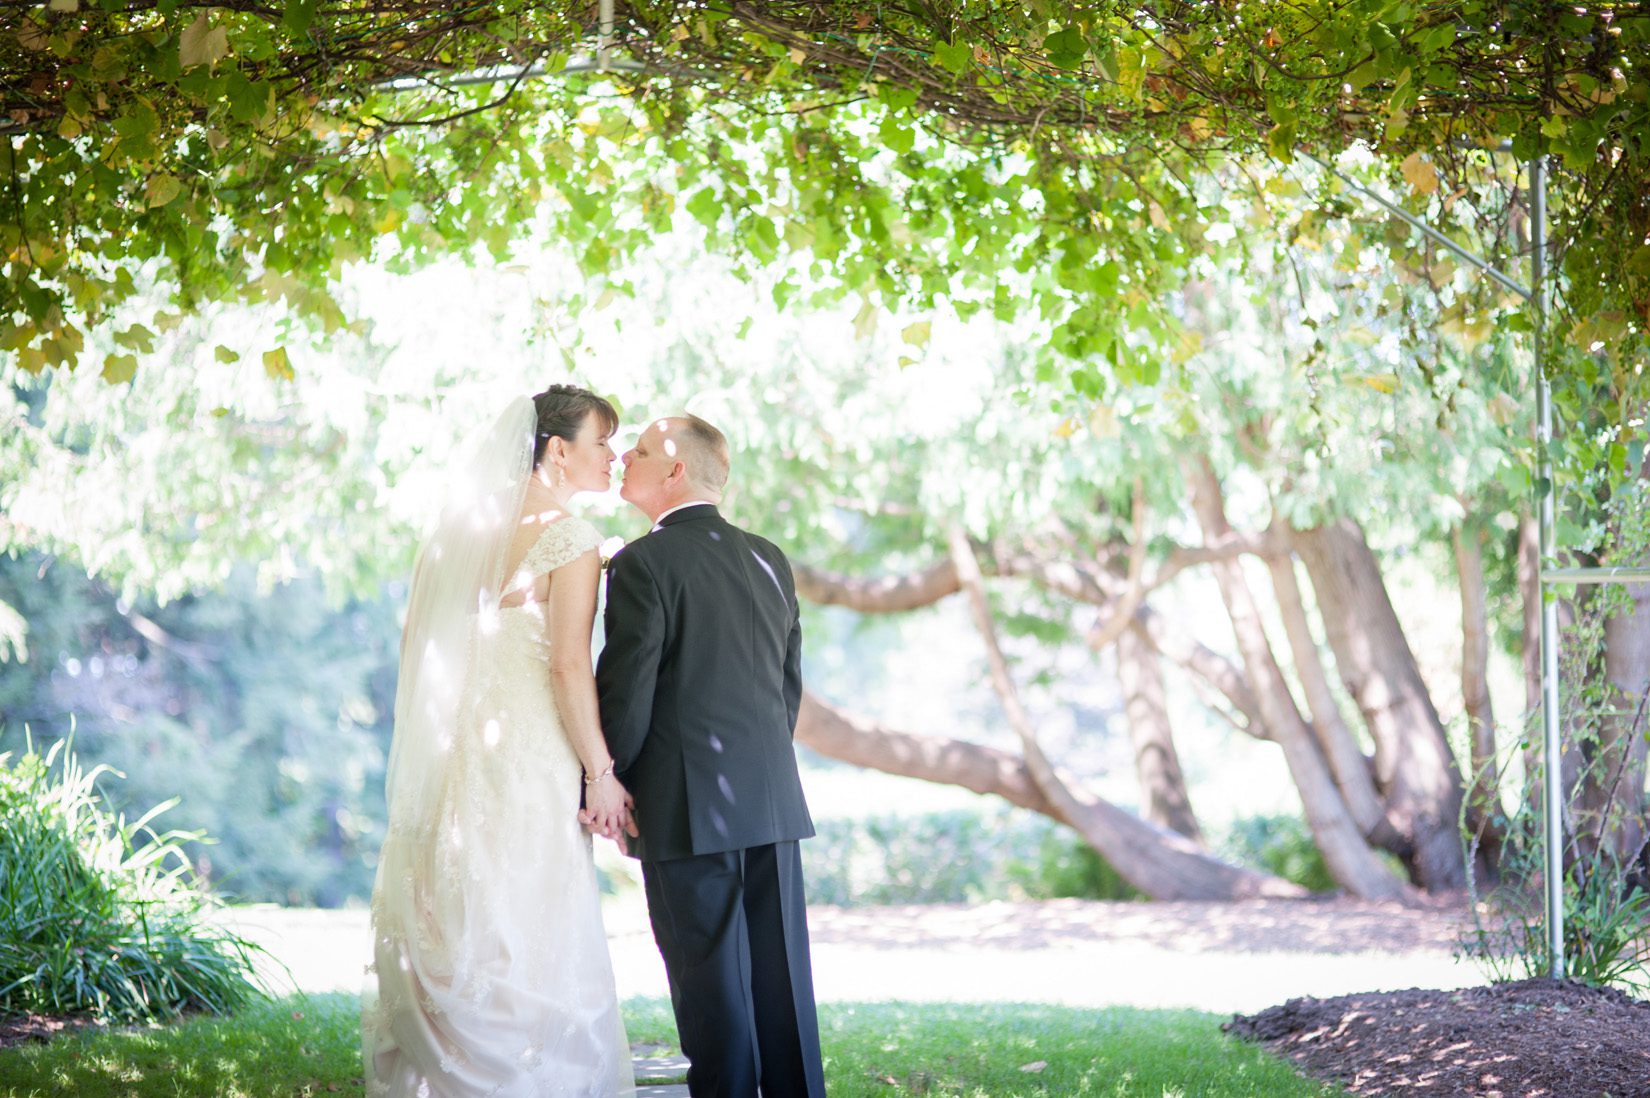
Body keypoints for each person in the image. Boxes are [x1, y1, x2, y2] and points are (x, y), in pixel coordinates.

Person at [362, 385, 637, 1098]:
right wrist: (600, 771)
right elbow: (569, 663)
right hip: (529, 753)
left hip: (455, 754)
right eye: (602, 442)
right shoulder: (570, 538)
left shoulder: (459, 529)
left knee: (464, 905)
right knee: (528, 901)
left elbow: (413, 646)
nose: (612, 456)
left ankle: (452, 1069)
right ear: (557, 449)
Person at [592, 415, 827, 1098]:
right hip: (772, 801)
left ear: (675, 470)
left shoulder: (643, 563)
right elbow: (787, 687)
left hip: (686, 808)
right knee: (782, 985)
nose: (623, 461)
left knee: (711, 987)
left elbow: (628, 688)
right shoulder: (769, 557)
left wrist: (607, 777)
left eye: (635, 452)